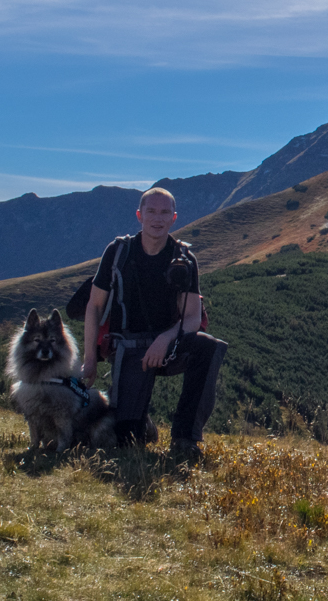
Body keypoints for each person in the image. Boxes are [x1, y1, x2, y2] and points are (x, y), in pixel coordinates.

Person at [82, 187, 227, 460]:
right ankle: (140, 422)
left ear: (174, 217)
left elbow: (193, 317)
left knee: (208, 347)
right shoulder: (118, 253)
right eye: (151, 211)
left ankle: (186, 439)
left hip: (168, 348)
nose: (157, 218)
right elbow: (94, 306)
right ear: (140, 215)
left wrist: (165, 339)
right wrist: (90, 360)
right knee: (127, 440)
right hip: (128, 348)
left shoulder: (184, 259)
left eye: (164, 212)